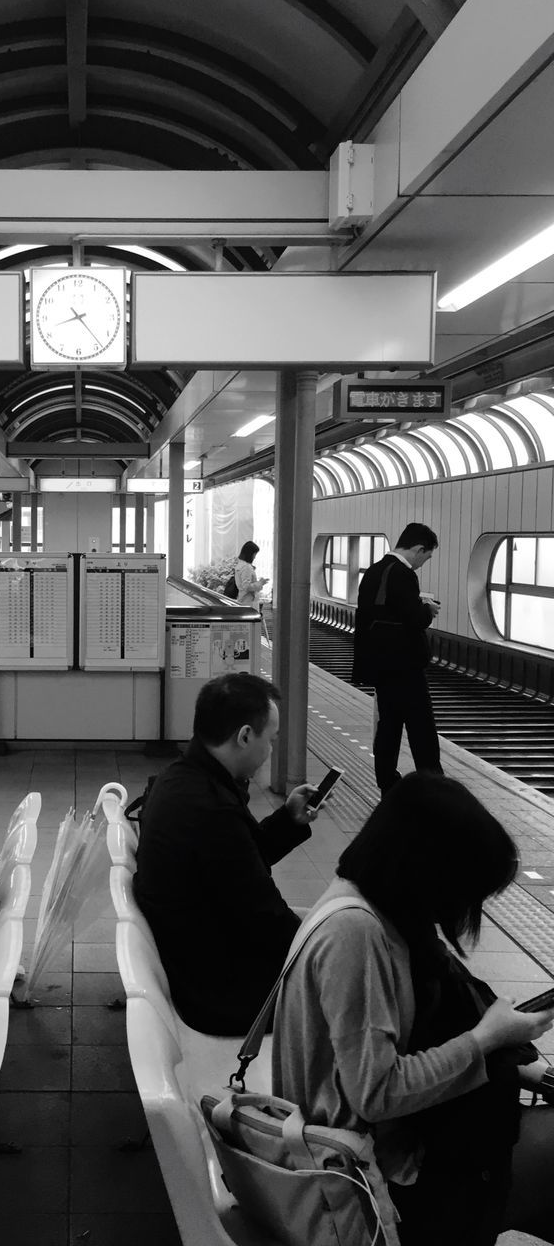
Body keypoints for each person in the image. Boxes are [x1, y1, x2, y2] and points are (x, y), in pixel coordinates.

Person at [272, 772, 554, 1246]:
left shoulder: (370, 902)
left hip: (378, 1153)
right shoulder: (356, 935)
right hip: (366, 1182)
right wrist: (486, 1040)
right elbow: (377, 1092)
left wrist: (517, 1065)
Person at [133, 673, 317, 1034]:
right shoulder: (211, 808)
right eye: (271, 740)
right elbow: (264, 916)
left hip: (197, 956)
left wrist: (288, 820)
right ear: (245, 736)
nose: (271, 751)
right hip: (221, 991)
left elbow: (237, 861)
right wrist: (324, 955)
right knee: (356, 978)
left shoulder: (181, 779)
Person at [352, 522, 442, 794]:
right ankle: (434, 784)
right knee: (422, 728)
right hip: (404, 665)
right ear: (418, 549)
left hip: (381, 665)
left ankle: (387, 782)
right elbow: (413, 618)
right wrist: (428, 610)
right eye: (426, 557)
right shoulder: (403, 574)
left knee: (389, 725)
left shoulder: (374, 570)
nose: (423, 563)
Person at [223, 541, 268, 608]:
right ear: (250, 554)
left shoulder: (240, 565)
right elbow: (246, 586)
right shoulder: (246, 567)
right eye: (254, 554)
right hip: (249, 602)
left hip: (243, 600)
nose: (255, 557)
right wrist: (260, 583)